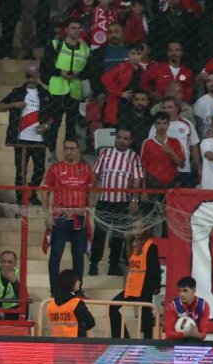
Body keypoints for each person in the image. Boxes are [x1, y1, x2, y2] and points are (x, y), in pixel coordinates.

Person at [90, 128, 143, 276]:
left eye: (125, 138)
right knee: (99, 234)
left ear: (130, 141)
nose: (121, 140)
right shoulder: (105, 154)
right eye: (119, 137)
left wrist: (133, 200)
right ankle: (93, 264)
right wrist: (93, 195)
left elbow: (137, 181)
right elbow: (95, 175)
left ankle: (113, 265)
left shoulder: (134, 157)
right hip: (104, 201)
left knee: (118, 235)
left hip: (122, 202)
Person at [41, 138, 93, 289]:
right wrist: (47, 215)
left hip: (79, 217)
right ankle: (54, 289)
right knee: (55, 255)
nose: (69, 151)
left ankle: (77, 289)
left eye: (72, 148)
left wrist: (89, 211)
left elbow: (91, 193)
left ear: (77, 150)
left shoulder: (85, 169)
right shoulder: (55, 168)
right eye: (66, 148)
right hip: (60, 217)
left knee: (78, 256)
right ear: (63, 150)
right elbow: (45, 192)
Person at [0, 64, 50, 194]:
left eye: (33, 76)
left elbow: (53, 115)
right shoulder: (17, 92)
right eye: (28, 76)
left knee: (39, 170)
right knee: (21, 173)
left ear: (38, 77)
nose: (30, 79)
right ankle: (21, 201)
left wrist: (47, 126)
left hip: (38, 139)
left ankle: (30, 195)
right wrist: (14, 104)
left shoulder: (45, 94)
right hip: (20, 139)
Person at [110, 221, 160, 339]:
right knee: (113, 306)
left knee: (145, 315)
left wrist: (155, 285)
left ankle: (148, 342)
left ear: (145, 229)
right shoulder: (129, 244)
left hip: (145, 286)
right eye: (134, 227)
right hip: (132, 287)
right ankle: (122, 338)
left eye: (140, 227)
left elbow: (155, 267)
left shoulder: (150, 245)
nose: (137, 230)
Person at [46, 269, 95, 337]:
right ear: (71, 283)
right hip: (74, 343)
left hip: (56, 343)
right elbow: (90, 323)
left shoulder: (51, 304)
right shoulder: (76, 303)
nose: (79, 282)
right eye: (76, 280)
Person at [163, 276, 210, 341]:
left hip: (195, 343)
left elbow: (203, 333)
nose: (182, 294)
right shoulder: (173, 306)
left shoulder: (203, 306)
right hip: (175, 343)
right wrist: (185, 334)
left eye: (185, 291)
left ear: (194, 290)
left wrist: (198, 335)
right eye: (180, 291)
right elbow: (169, 333)